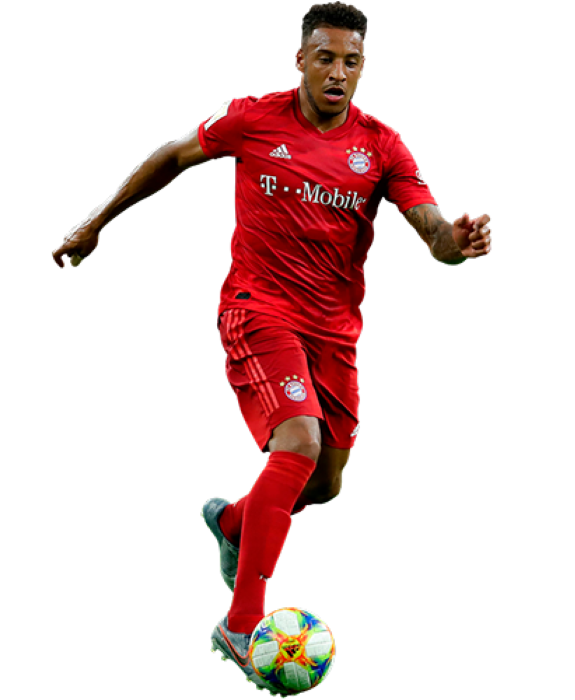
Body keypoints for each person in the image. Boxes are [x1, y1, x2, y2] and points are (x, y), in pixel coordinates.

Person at [51, 2, 492, 691]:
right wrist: (96, 221)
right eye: (325, 58)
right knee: (299, 442)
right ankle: (241, 622)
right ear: (300, 61)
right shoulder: (253, 118)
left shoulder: (381, 146)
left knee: (326, 485)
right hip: (257, 311)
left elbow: (431, 230)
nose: (337, 72)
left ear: (363, 69)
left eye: (351, 62)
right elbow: (171, 156)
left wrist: (456, 245)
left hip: (335, 332)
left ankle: (234, 522)